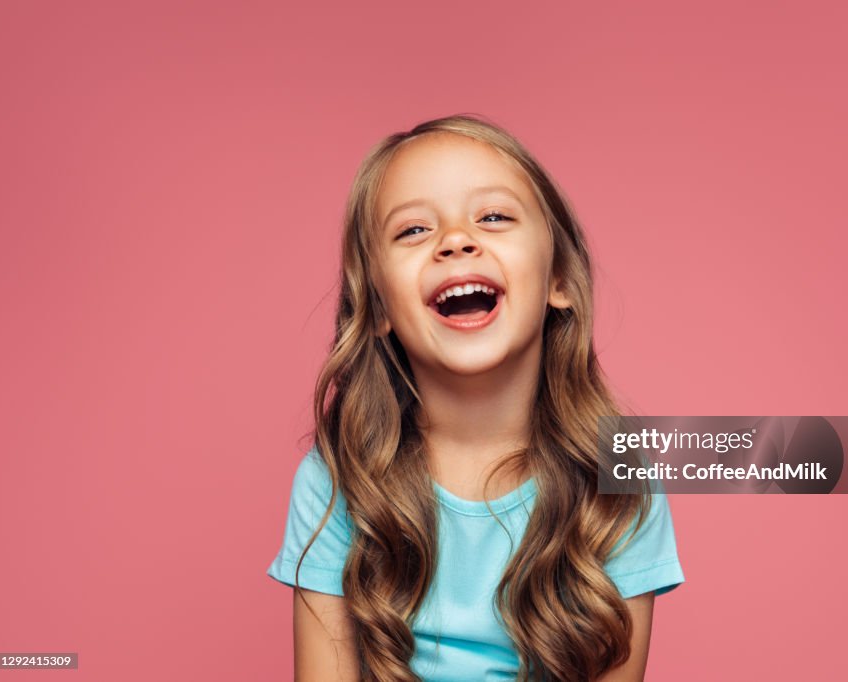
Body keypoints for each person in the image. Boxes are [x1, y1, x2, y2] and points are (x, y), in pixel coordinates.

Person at [267, 114, 685, 681]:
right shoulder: (338, 480)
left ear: (559, 279)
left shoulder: (618, 478)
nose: (456, 241)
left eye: (493, 216)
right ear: (381, 307)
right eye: (413, 230)